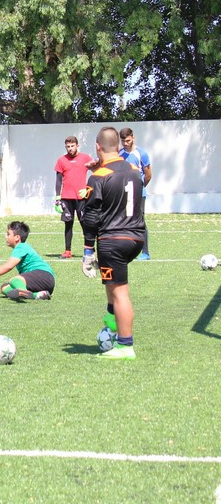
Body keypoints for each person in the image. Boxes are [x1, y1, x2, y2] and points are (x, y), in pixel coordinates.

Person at [80, 126, 146, 360]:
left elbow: (91, 217)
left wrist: (88, 251)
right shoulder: (134, 170)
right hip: (136, 237)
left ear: (97, 147)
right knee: (112, 284)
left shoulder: (98, 176)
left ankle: (125, 345)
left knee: (120, 293)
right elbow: (119, 179)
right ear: (118, 146)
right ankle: (112, 321)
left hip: (113, 240)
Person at [0, 221, 55, 300]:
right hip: (46, 283)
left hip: (44, 276)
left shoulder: (21, 247)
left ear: (17, 237)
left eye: (8, 234)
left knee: (15, 280)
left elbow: (8, 266)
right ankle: (37, 295)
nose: (6, 237)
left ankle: (23, 292)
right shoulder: (22, 247)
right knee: (4, 287)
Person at [53, 135, 93, 259]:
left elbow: (96, 172)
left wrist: (89, 188)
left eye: (72, 146)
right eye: (68, 146)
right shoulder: (61, 160)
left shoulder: (86, 158)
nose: (70, 148)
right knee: (68, 224)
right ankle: (67, 251)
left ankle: (89, 250)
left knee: (85, 224)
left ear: (77, 145)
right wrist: (58, 198)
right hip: (66, 198)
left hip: (81, 198)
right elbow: (58, 180)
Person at [119, 128, 152, 259]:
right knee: (123, 221)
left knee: (139, 221)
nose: (125, 143)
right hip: (123, 193)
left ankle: (145, 252)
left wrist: (139, 187)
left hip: (139, 194)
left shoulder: (141, 154)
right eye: (123, 141)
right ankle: (126, 250)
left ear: (133, 138)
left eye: (128, 140)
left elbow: (148, 175)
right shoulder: (119, 154)